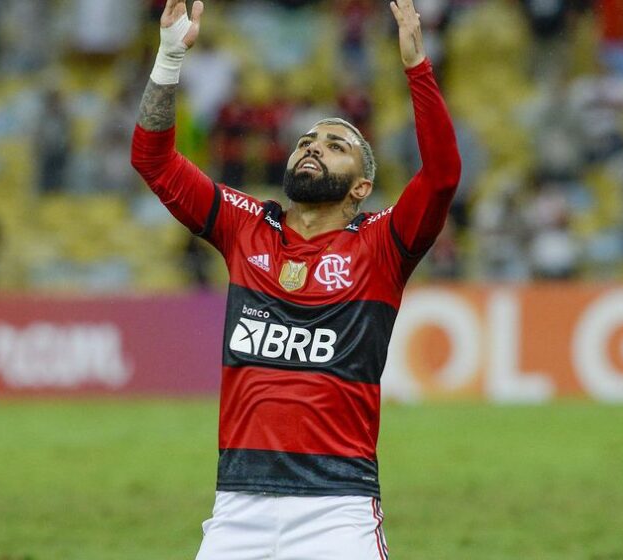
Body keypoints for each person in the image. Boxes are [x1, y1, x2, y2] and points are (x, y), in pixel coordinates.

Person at [129, 0, 461, 557]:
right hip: (236, 510)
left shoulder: (381, 245)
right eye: (308, 141)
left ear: (361, 188)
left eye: (336, 146)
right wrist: (168, 58)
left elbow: (443, 176)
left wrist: (416, 68)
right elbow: (153, 161)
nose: (313, 148)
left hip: (337, 511)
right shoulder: (246, 227)